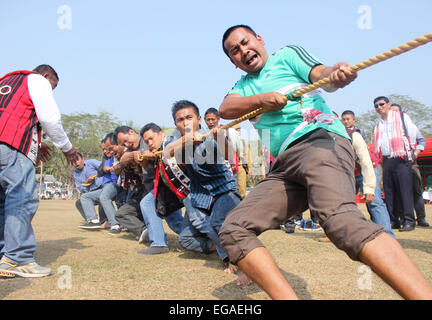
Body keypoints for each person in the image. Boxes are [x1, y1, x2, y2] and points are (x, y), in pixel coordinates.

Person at [217, 25, 432, 299]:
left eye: (245, 42)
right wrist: (263, 100)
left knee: (340, 221)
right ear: (233, 62)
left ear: (260, 40)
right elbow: (225, 109)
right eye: (234, 51)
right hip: (283, 166)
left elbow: (322, 75)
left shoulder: (286, 56)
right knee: (234, 229)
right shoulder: (243, 87)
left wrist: (336, 75)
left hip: (319, 141)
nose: (243, 51)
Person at [0, 65, 78, 278]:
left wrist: (37, 141)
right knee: (21, 199)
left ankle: (3, 255)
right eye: (53, 85)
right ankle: (17, 258)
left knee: (2, 202)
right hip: (12, 145)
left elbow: (14, 114)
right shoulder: (37, 80)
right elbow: (49, 118)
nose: (51, 90)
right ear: (46, 76)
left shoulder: (6, 82)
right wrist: (67, 148)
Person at [165, 100, 241, 273]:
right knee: (185, 238)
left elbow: (230, 154)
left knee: (216, 223)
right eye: (180, 119)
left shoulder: (209, 136)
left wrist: (219, 138)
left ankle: (233, 258)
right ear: (176, 124)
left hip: (224, 190)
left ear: (199, 119)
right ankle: (224, 245)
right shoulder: (176, 141)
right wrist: (186, 140)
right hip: (199, 195)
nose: (185, 122)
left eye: (189, 117)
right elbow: (166, 151)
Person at [341, 110, 395, 238]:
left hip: (369, 168)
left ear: (354, 120)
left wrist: (369, 188)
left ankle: (387, 236)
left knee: (374, 201)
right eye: (344, 119)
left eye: (348, 119)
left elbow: (366, 162)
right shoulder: (341, 135)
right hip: (353, 172)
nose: (346, 121)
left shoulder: (356, 134)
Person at [134, 123, 184, 255]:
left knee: (147, 203)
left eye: (152, 138)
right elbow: (150, 165)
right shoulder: (157, 150)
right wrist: (145, 158)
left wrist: (160, 153)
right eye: (147, 141)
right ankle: (159, 243)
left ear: (161, 133)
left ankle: (159, 243)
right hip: (169, 189)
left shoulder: (171, 141)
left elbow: (177, 147)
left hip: (184, 188)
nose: (150, 143)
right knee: (175, 221)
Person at [374, 97, 423, 232]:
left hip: (401, 157)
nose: (379, 107)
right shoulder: (379, 123)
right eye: (376, 106)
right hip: (386, 159)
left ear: (388, 105)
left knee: (405, 191)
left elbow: (412, 134)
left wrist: (409, 152)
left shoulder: (401, 117)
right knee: (389, 192)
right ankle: (393, 220)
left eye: (382, 104)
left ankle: (409, 221)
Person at [390, 104, 429, 227]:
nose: (393, 114)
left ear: (401, 112)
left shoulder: (410, 126)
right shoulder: (388, 128)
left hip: (411, 162)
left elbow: (421, 141)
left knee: (416, 191)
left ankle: (421, 218)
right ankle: (403, 219)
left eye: (395, 111)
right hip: (395, 163)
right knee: (400, 192)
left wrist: (416, 153)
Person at [77, 136, 121, 234]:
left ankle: (115, 224)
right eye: (104, 149)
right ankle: (93, 221)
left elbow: (117, 170)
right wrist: (100, 172)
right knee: (84, 197)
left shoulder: (117, 156)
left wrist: (111, 168)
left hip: (114, 185)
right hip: (105, 186)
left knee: (104, 197)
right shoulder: (106, 159)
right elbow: (101, 170)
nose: (106, 151)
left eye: (108, 148)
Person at [72, 152, 107, 225]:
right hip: (90, 193)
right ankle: (91, 220)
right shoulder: (76, 174)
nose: (75, 163)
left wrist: (98, 176)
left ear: (82, 159)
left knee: (102, 198)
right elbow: (81, 189)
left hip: (103, 187)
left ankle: (104, 220)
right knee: (79, 203)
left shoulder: (91, 163)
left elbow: (104, 167)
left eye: (77, 160)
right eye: (73, 162)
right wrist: (87, 183)